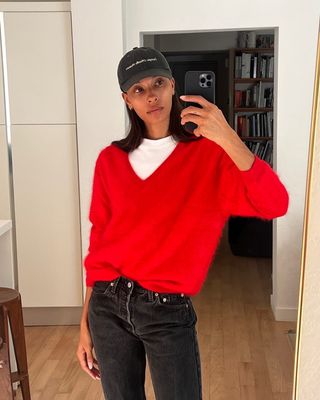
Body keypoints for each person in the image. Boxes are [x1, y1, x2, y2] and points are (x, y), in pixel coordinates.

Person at [76, 46, 289, 400]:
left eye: (158, 83)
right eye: (138, 89)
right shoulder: (110, 160)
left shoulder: (208, 155)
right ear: (127, 99)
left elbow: (275, 203)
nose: (151, 96)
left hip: (166, 310)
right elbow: (99, 242)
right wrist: (84, 323)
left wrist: (227, 136)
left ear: (173, 86)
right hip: (107, 305)